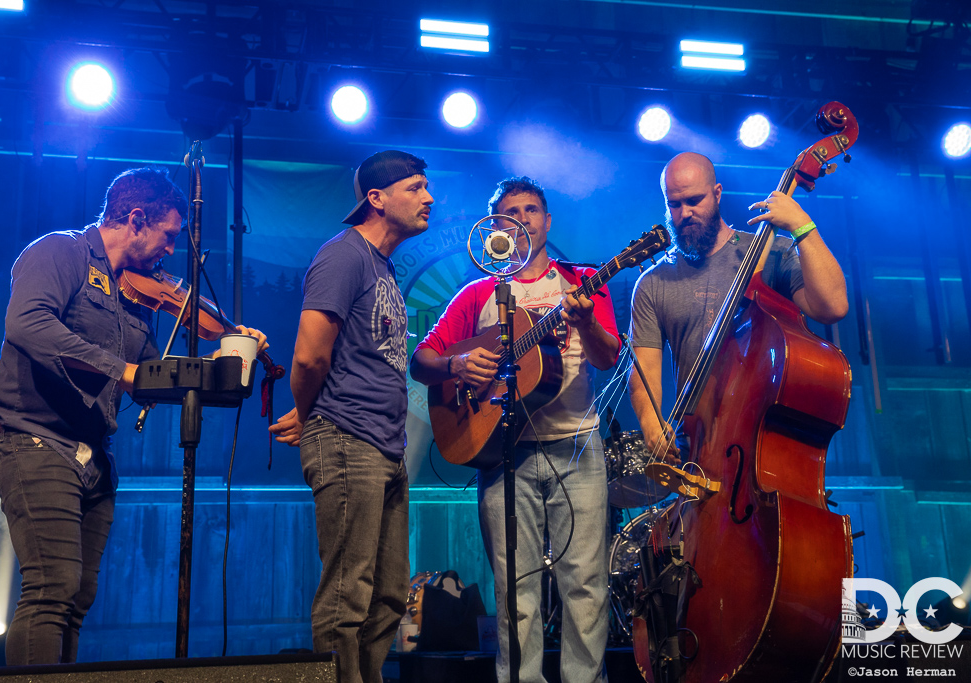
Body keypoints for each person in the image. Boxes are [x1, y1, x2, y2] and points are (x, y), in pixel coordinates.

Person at [0, 167, 267, 665]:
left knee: (77, 598)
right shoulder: (59, 252)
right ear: (136, 219)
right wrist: (124, 371)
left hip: (94, 456)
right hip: (33, 438)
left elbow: (156, 375)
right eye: (168, 235)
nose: (171, 252)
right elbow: (27, 325)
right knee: (53, 588)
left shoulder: (138, 294)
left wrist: (233, 357)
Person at [410, 176, 620, 683]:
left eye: (532, 209)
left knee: (586, 586)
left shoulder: (584, 279)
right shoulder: (478, 293)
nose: (523, 218)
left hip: (578, 446)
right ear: (495, 229)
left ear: (547, 221)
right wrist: (457, 369)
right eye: (512, 212)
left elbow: (609, 357)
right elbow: (422, 361)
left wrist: (587, 322)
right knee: (514, 588)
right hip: (502, 452)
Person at [269, 150, 433, 683]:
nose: (429, 198)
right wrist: (311, 412)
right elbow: (310, 354)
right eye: (416, 188)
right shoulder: (343, 255)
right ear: (376, 198)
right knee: (347, 594)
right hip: (346, 441)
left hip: (385, 448)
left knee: (388, 596)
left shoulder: (380, 265)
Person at [628, 151, 849, 456]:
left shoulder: (770, 254)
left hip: (766, 438)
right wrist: (651, 422)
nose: (685, 213)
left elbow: (833, 307)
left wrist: (802, 226)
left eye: (694, 200)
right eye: (674, 204)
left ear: (717, 194)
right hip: (697, 445)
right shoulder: (654, 282)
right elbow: (643, 369)